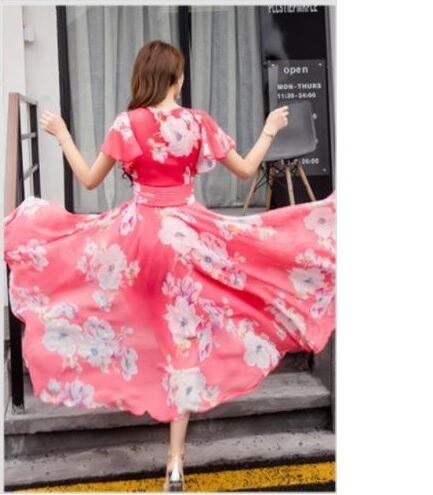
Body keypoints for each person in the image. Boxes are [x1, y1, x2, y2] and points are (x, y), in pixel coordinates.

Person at [3, 40, 336, 491]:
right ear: (176, 79)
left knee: (113, 309)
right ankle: (175, 461)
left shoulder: (126, 123)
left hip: (136, 240)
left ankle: (127, 383)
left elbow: (88, 179)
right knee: (183, 341)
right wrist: (270, 129)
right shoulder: (197, 122)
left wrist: (62, 134)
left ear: (143, 78)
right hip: (186, 238)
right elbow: (245, 170)